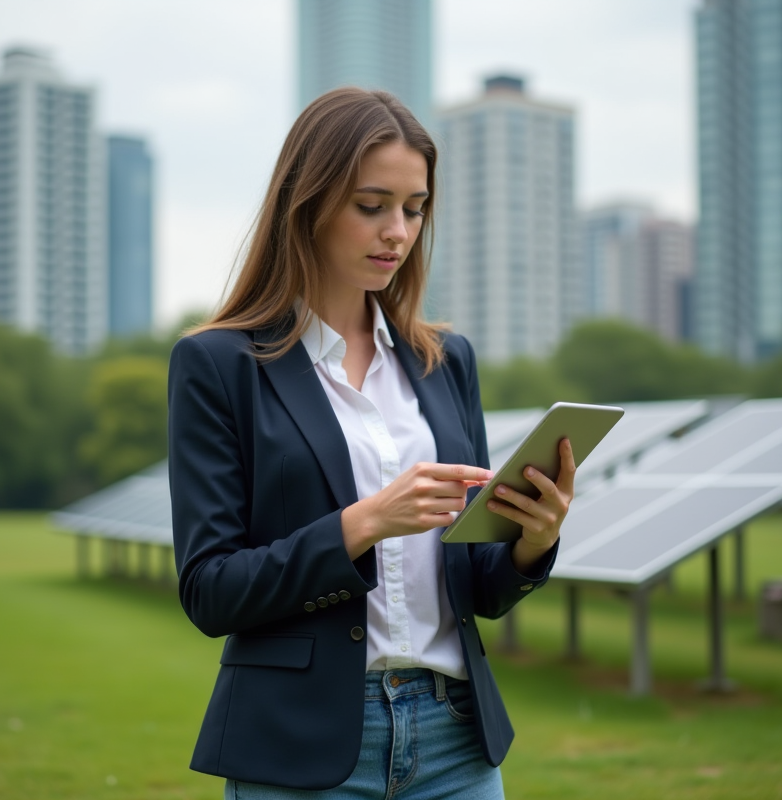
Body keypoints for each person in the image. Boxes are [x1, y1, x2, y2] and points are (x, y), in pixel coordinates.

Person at [167, 87, 575, 799]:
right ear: (309, 201)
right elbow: (210, 591)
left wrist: (530, 542)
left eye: (414, 209)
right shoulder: (218, 364)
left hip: (456, 742)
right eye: (371, 205)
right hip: (301, 749)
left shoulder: (445, 362)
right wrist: (365, 523)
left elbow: (477, 586)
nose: (398, 231)